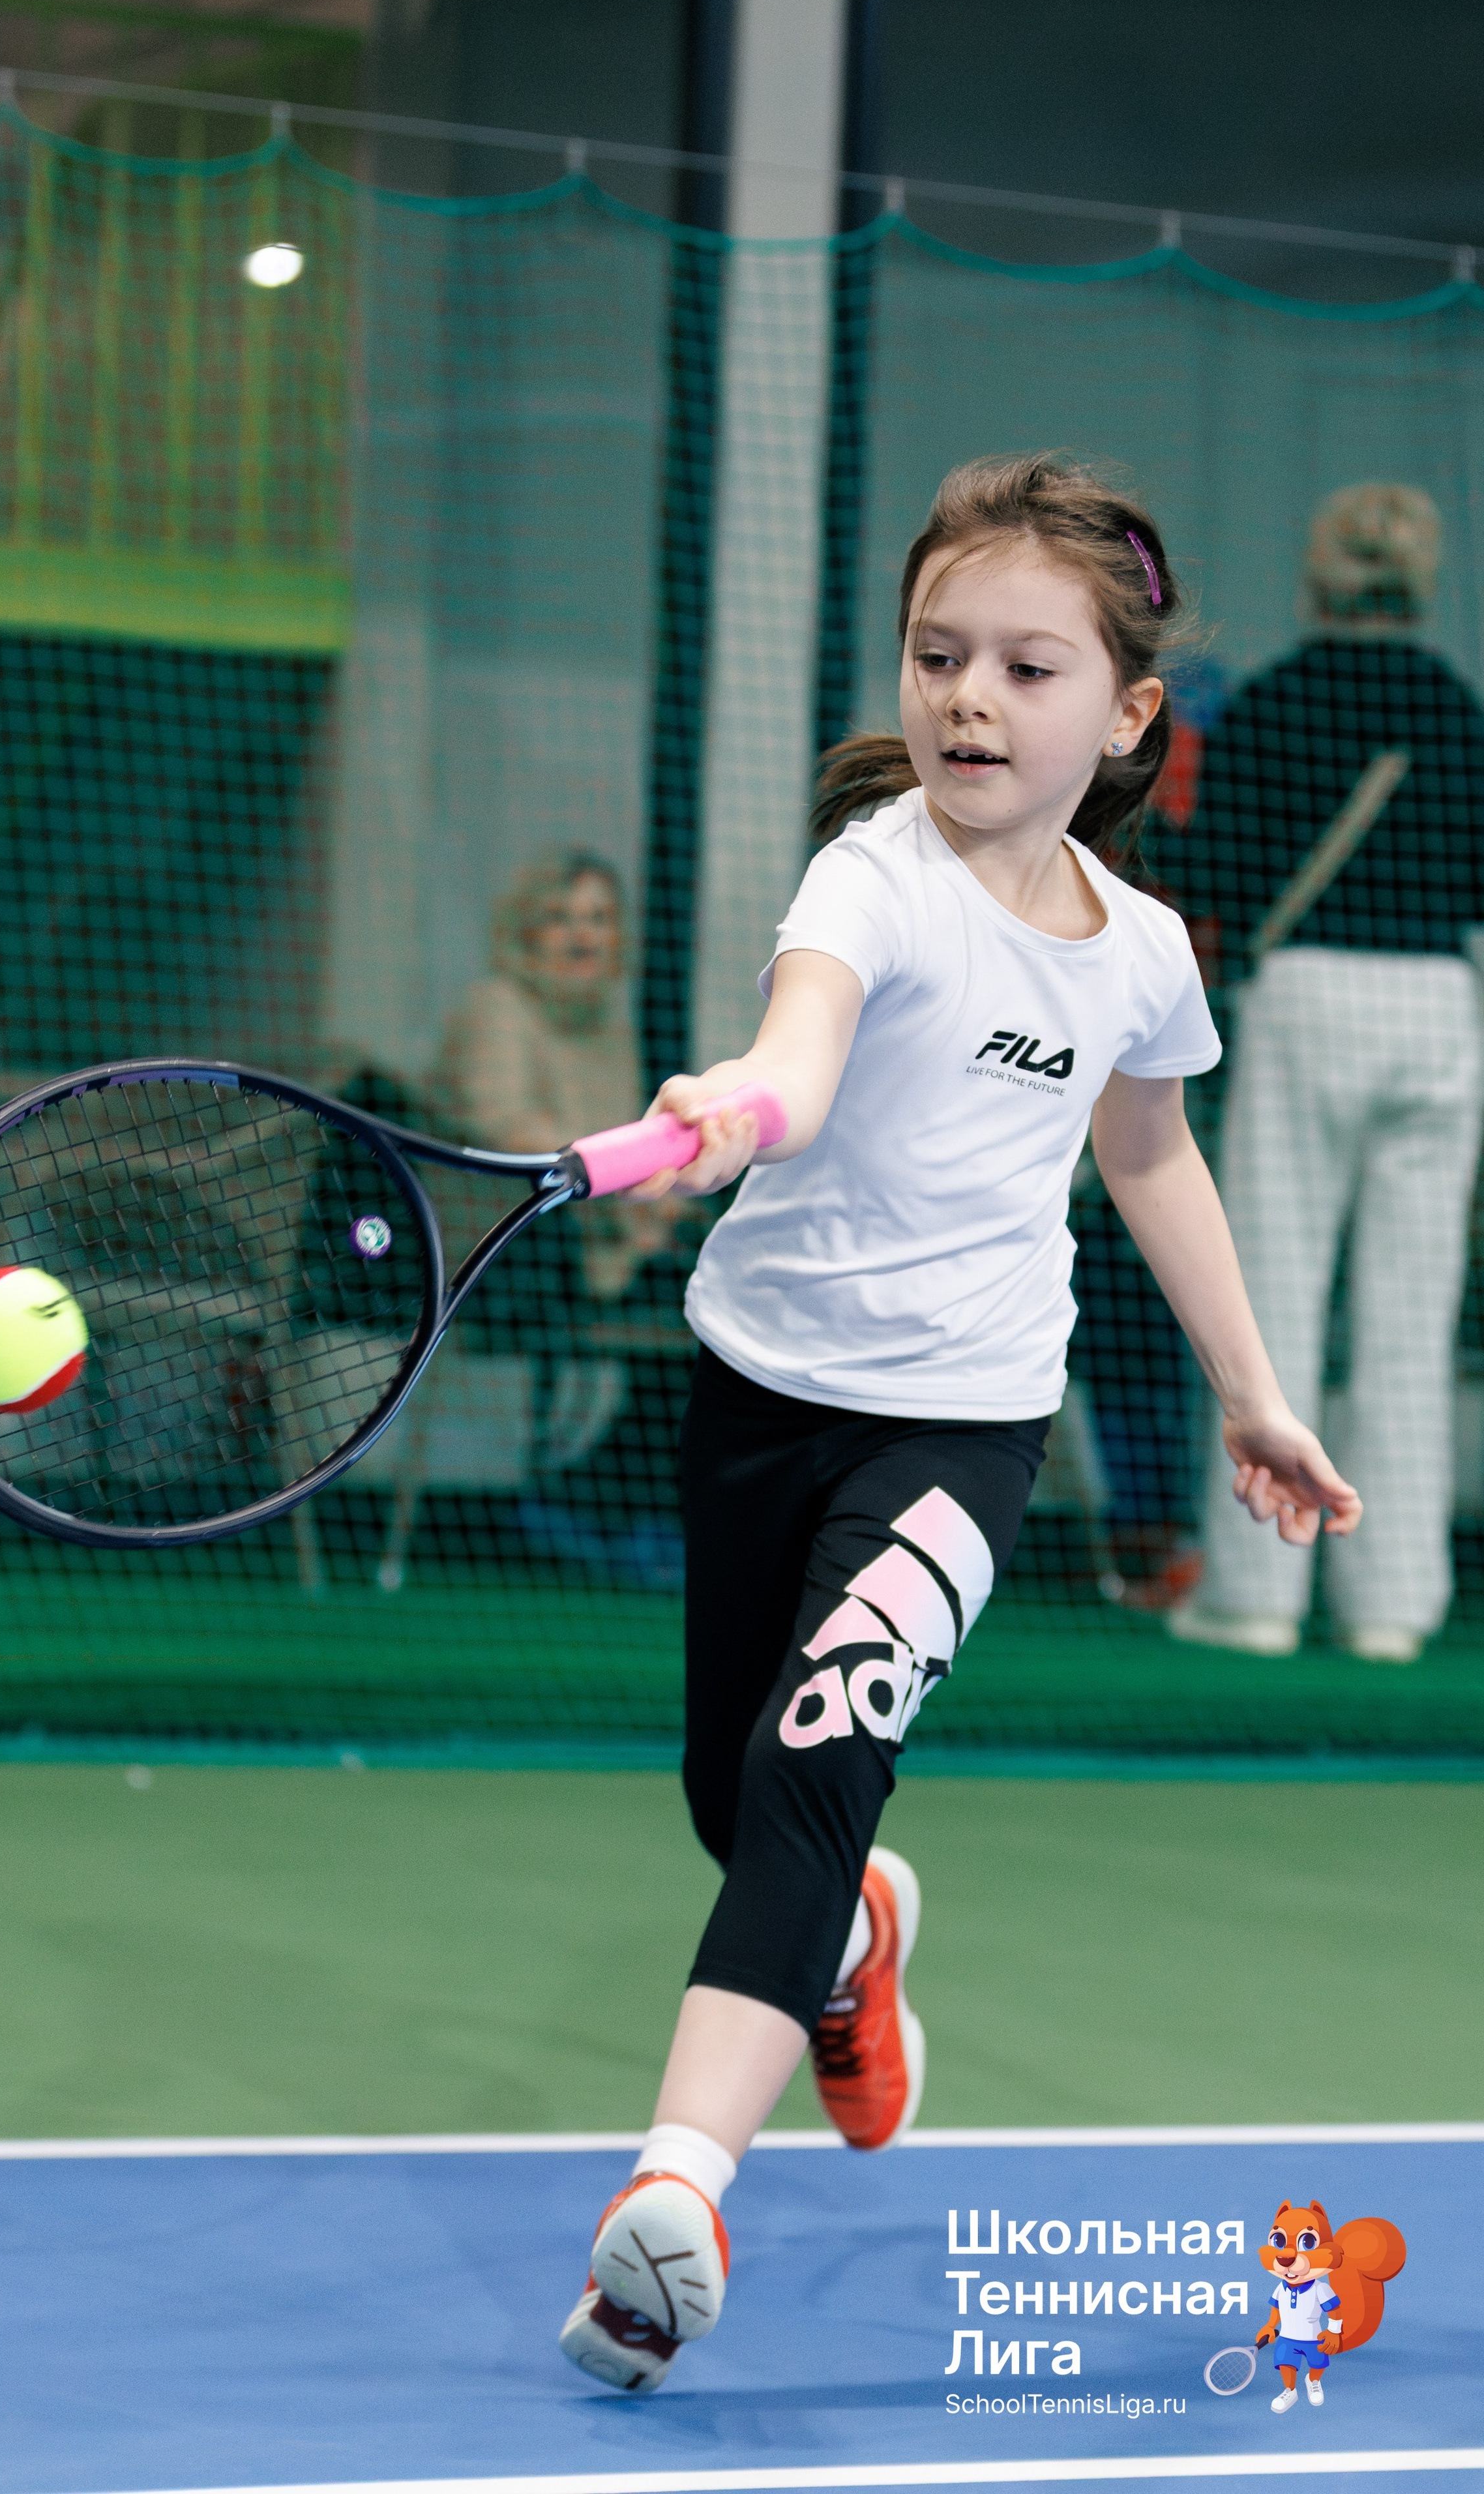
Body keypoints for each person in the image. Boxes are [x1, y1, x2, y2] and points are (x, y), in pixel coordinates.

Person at [554, 453, 1361, 2396]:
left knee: (818, 1758)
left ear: (1126, 715)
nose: (968, 698)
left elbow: (1152, 1158)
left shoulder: (1143, 951)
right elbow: (798, 1064)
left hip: (965, 1427)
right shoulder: (870, 872)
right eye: (936, 656)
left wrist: (1254, 1392)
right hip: (762, 1386)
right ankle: (845, 1952)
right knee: (731, 1797)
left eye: (1022, 663)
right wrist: (725, 1110)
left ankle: (673, 2197)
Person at [1159, 484, 1484, 1665]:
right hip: (1443, 1004)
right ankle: (1394, 1605)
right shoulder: (1460, 709)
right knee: (1409, 1313)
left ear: (1317, 574)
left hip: (1307, 996)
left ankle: (1258, 1593)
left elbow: (1220, 877)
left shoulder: (1274, 700)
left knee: (1272, 1300)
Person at [432, 850, 675, 1303]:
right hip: (507, 1249)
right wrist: (626, 1182)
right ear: (527, 933)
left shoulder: (613, 1027)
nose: (583, 936)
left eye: (599, 918)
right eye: (560, 918)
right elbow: (509, 1132)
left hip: (601, 1239)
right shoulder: (498, 1007)